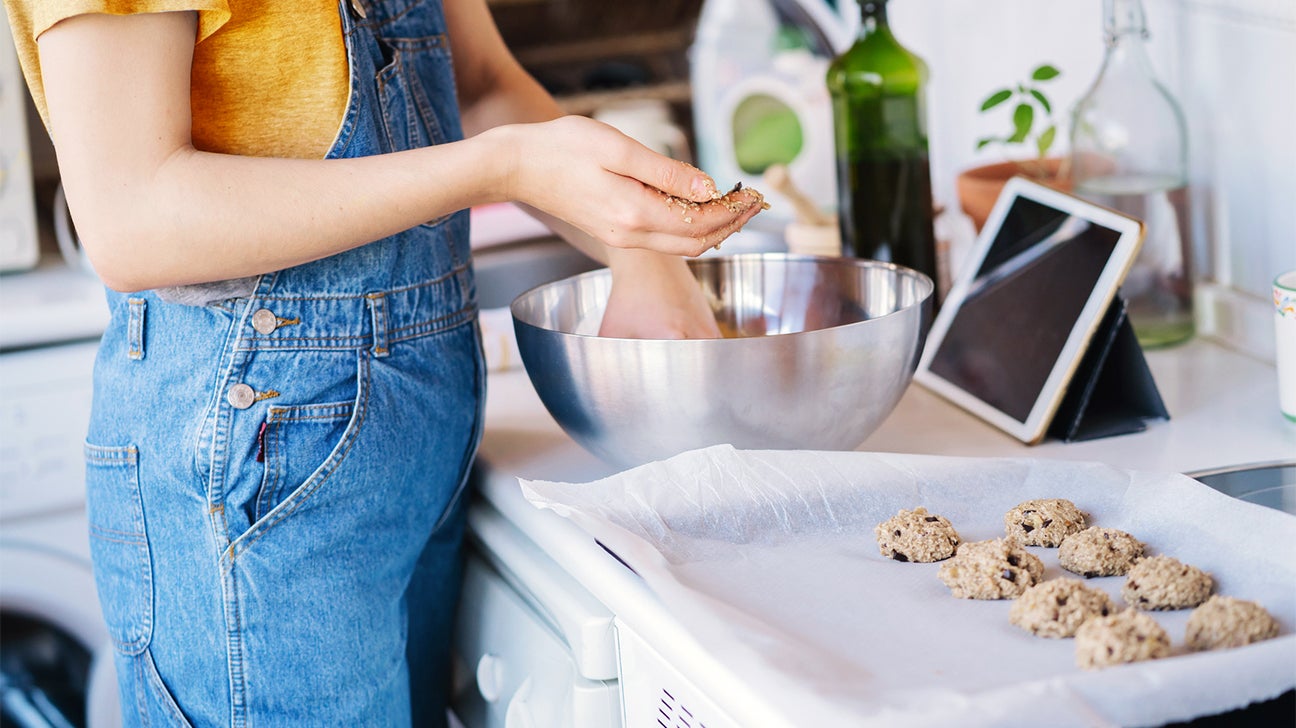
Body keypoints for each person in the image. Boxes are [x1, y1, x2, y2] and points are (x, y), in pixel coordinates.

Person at [3, 1, 767, 725]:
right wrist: (500, 168)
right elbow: (132, 216)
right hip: (256, 452)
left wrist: (641, 249)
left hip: (412, 438)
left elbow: (484, 86)